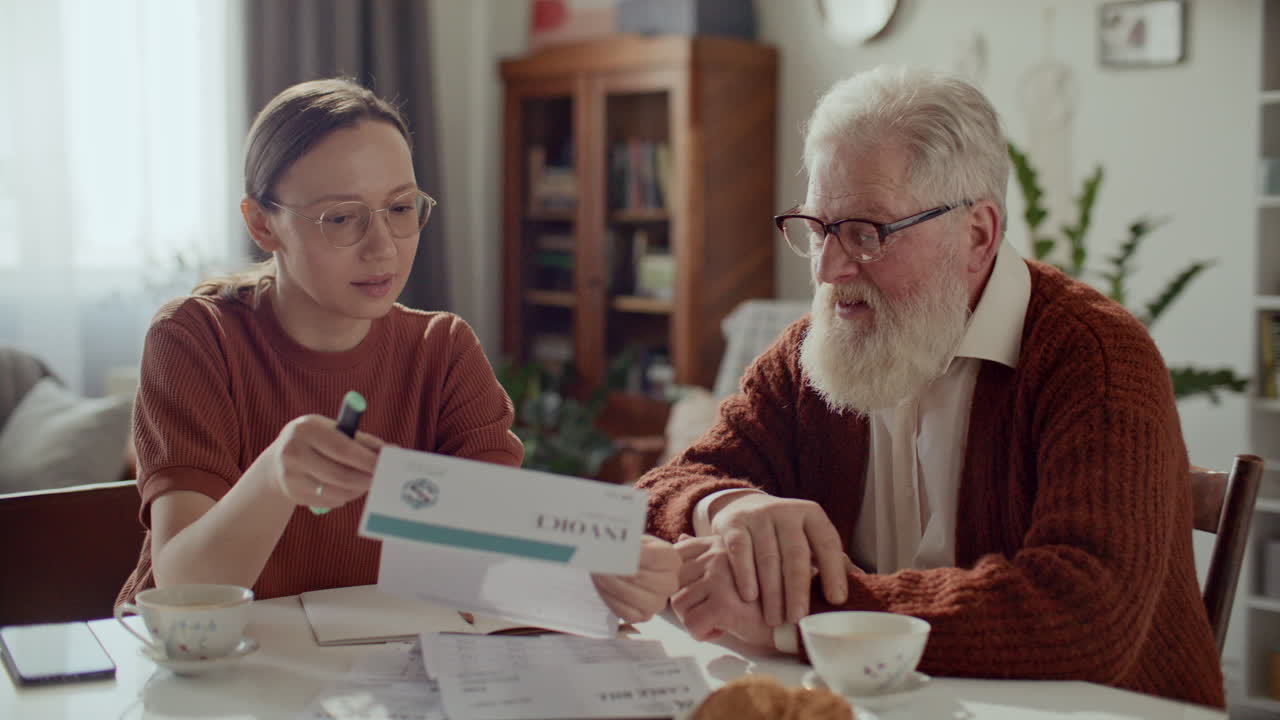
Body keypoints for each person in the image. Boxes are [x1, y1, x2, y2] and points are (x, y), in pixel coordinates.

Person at [637, 66, 1223, 708]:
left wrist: (795, 612)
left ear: (977, 234)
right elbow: (652, 497)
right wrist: (725, 507)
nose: (830, 269)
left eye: (866, 232)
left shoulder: (1097, 359)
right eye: (817, 229)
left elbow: (1085, 616)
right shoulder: (815, 351)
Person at [118, 78, 678, 625]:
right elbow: (187, 590)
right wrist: (272, 478)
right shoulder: (196, 339)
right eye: (341, 218)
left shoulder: (444, 349)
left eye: (402, 208)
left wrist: (603, 575)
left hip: (376, 674)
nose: (383, 246)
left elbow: (490, 560)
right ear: (263, 224)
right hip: (210, 672)